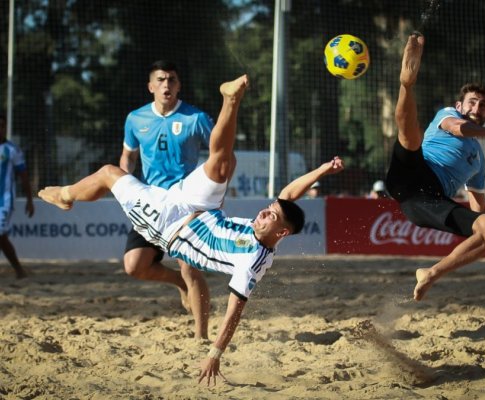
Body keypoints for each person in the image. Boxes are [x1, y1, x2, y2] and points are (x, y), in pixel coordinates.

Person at [39, 75, 345, 385]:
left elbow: (234, 311)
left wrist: (215, 353)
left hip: (167, 225)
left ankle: (66, 196)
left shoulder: (252, 261)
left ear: (280, 234)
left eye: (271, 217)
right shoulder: (269, 223)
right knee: (224, 162)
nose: (265, 211)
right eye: (269, 209)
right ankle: (231, 98)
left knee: (108, 173)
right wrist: (322, 170)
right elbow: (288, 196)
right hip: (199, 205)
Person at [385, 33, 485, 302]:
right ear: (461, 105)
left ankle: (430, 274)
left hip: (426, 202)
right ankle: (407, 84)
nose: (478, 106)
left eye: (483, 105)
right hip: (414, 171)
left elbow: (479, 211)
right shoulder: (448, 114)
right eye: (472, 102)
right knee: (410, 135)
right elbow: (458, 128)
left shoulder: (479, 161)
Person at [120, 60, 218, 339]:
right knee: (134, 266)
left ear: (179, 86)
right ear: (151, 86)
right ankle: (177, 281)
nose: (167, 84)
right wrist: (128, 190)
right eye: (161, 80)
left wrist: (215, 189)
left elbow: (219, 154)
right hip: (151, 201)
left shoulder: (195, 118)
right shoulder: (135, 119)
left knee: (190, 269)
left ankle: (201, 338)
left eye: (172, 80)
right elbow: (128, 157)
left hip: (187, 204)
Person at [0, 115, 34, 279]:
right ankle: (19, 271)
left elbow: (24, 176)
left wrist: (29, 200)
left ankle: (19, 270)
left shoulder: (12, 150)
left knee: (0, 234)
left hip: (4, 201)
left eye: (2, 126)